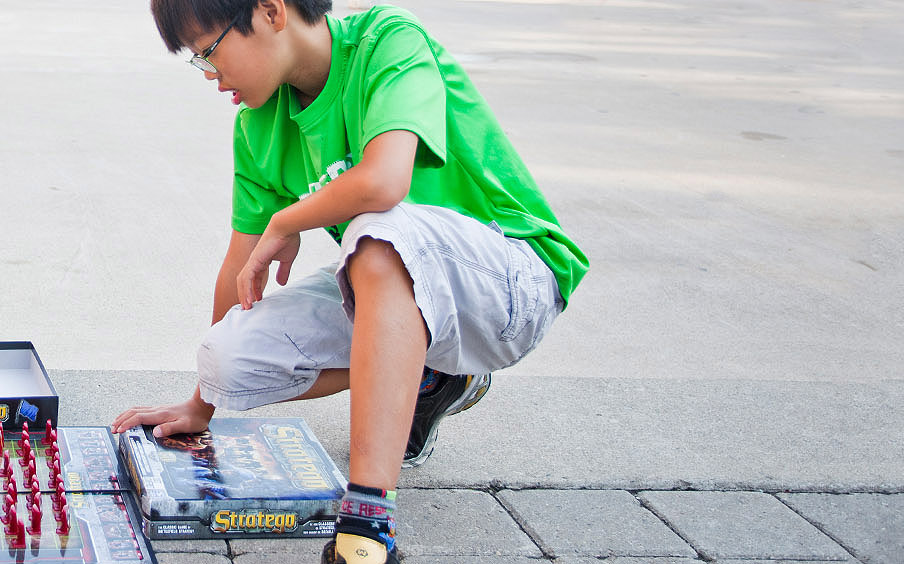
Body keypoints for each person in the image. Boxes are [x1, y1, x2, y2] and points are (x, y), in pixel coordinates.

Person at [111, 1, 587, 561]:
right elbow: (239, 271)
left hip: (511, 284)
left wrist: (288, 219)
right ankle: (429, 377)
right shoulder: (258, 125)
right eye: (198, 63)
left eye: (210, 52)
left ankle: (367, 522)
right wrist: (202, 405)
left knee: (380, 231)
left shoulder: (388, 41)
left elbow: (385, 181)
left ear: (269, 11)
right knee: (227, 358)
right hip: (395, 280)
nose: (212, 77)